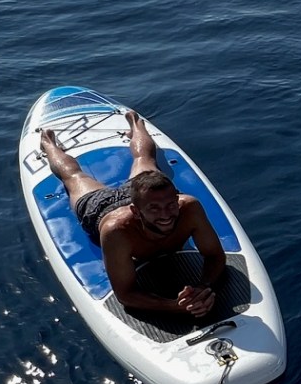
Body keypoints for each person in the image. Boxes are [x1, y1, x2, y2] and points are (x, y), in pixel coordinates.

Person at [39, 111, 225, 321]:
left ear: (177, 198)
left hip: (143, 198)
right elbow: (125, 294)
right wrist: (175, 306)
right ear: (135, 211)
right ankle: (49, 144)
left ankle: (135, 122)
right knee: (73, 176)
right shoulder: (116, 231)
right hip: (103, 208)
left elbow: (215, 255)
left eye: (171, 205)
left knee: (145, 159)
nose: (166, 215)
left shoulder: (188, 207)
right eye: (156, 209)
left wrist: (203, 287)